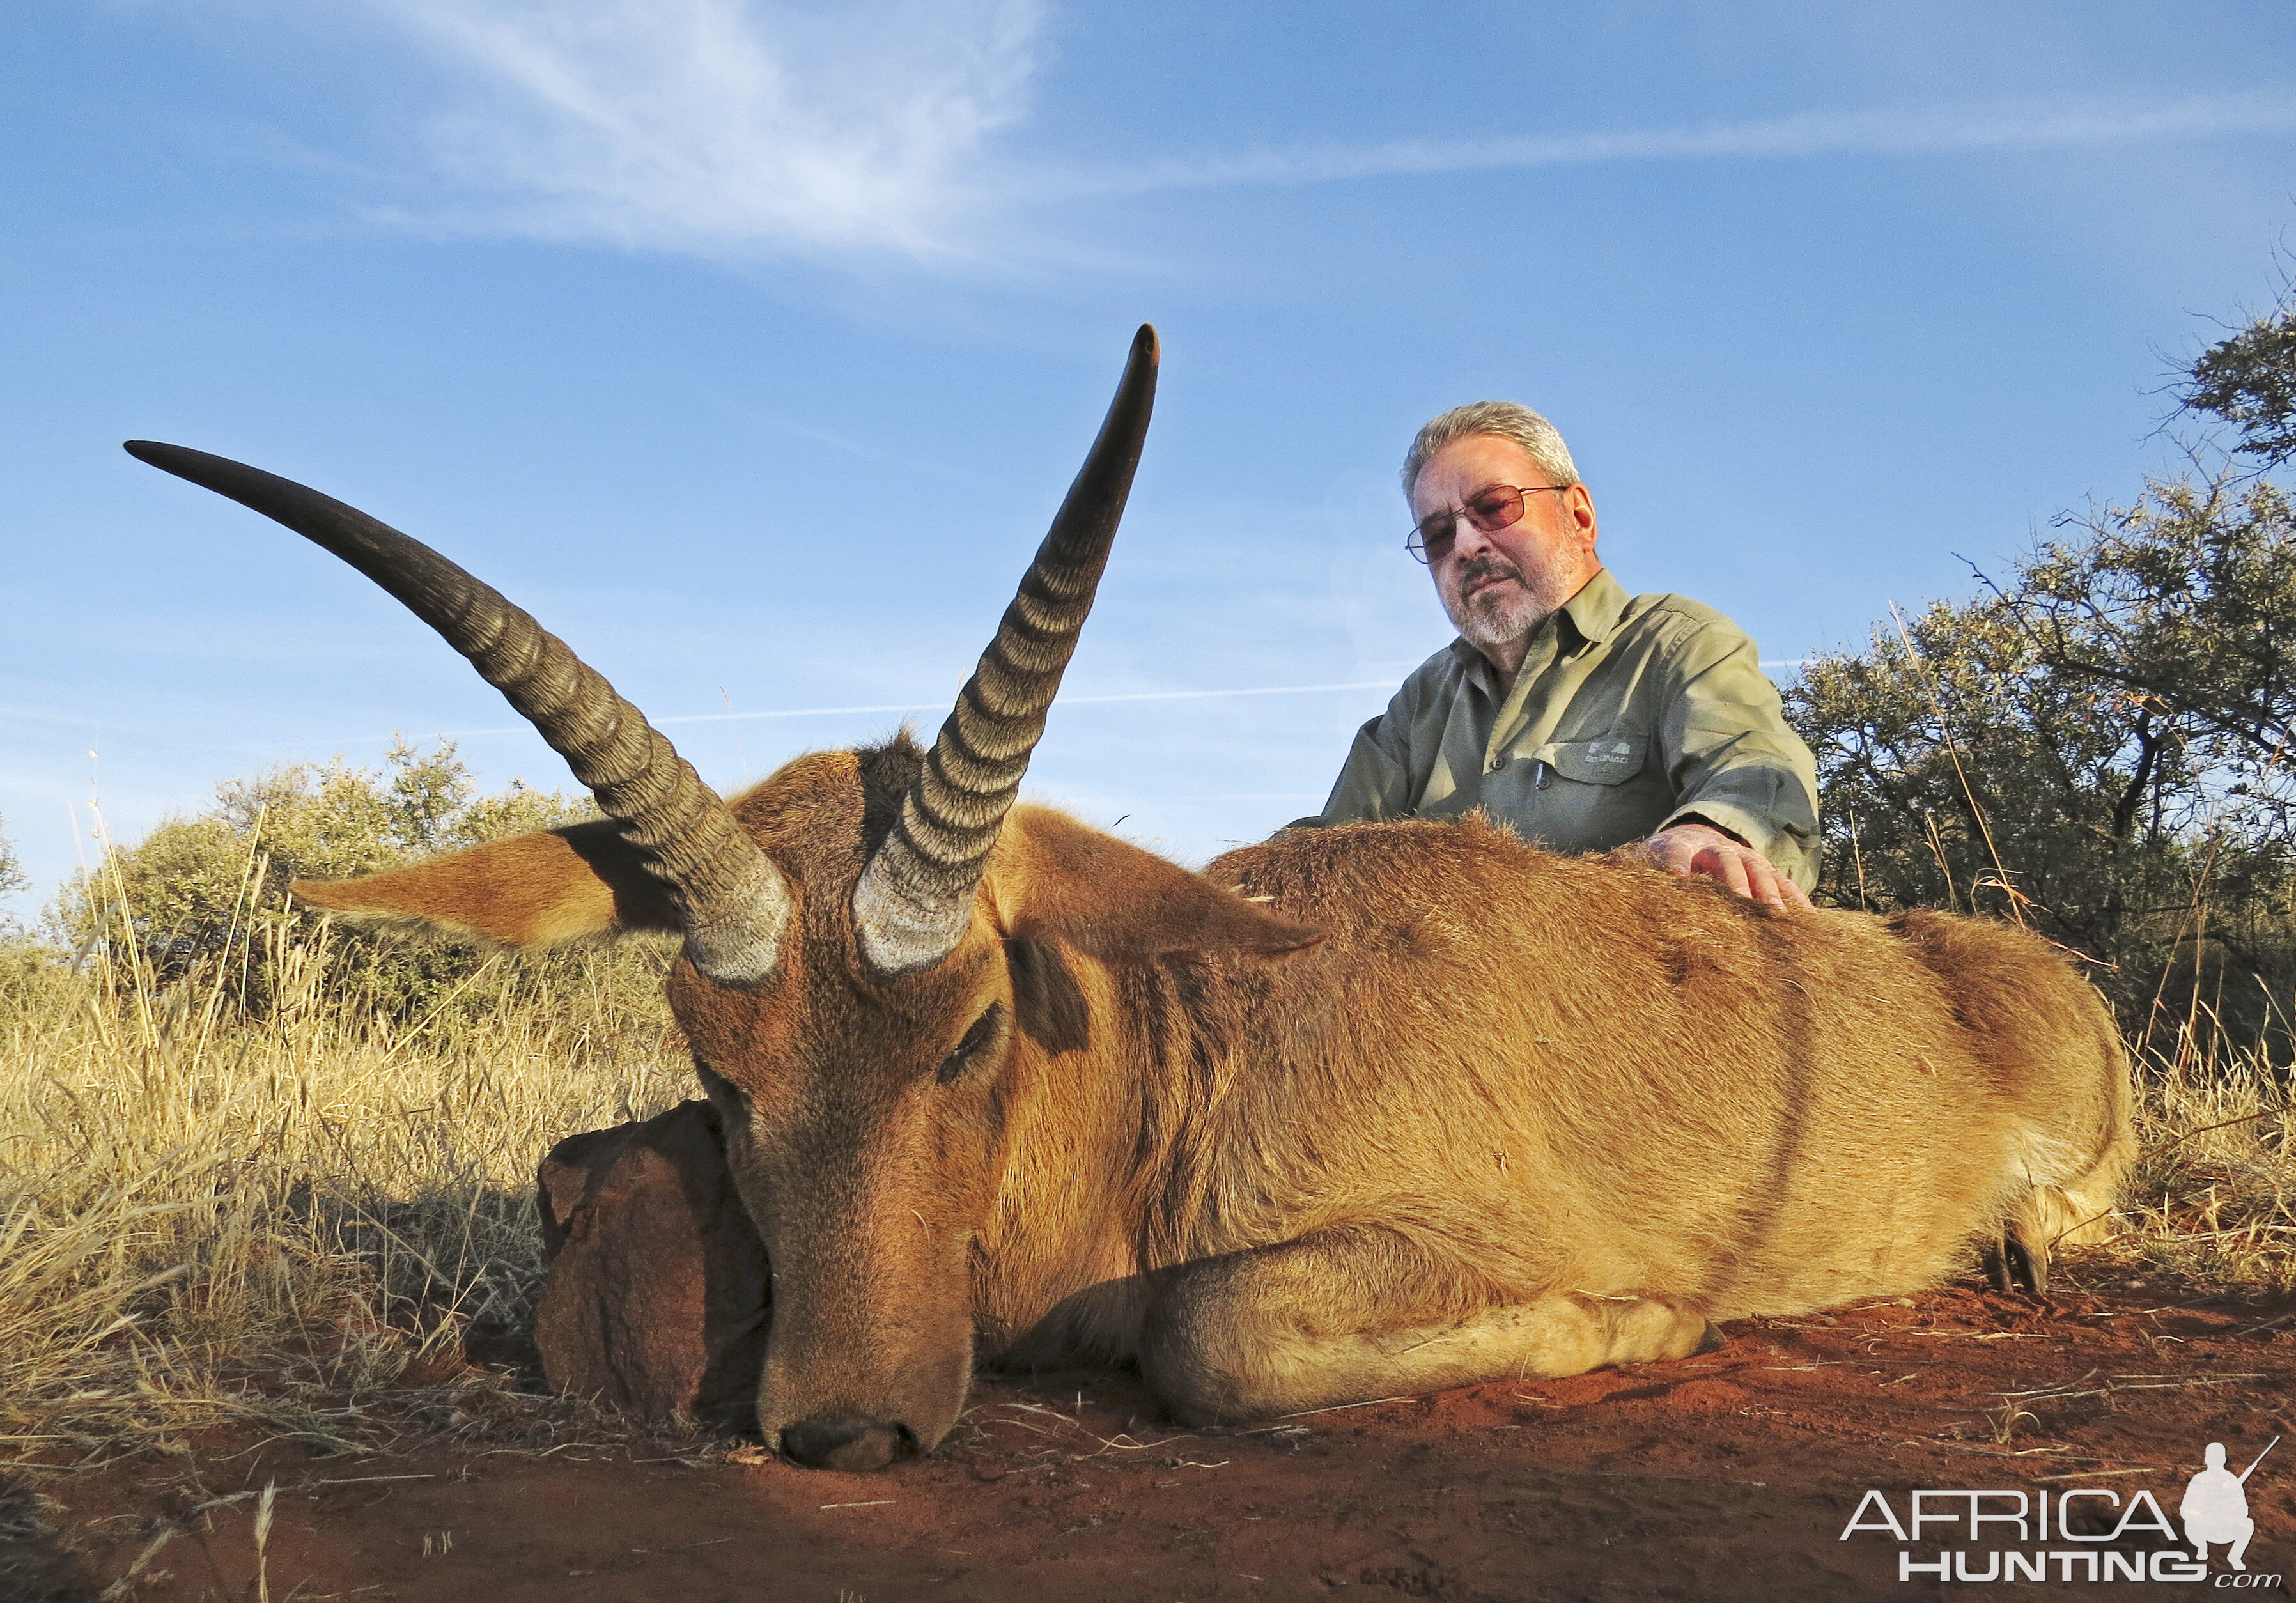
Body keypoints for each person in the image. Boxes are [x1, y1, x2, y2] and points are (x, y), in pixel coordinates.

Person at [1300, 401, 1819, 908]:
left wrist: (1708, 833)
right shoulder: (1419, 703)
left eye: (1495, 507)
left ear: (1579, 515)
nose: (1465, 546)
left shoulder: (1680, 643)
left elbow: (1755, 769)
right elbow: (1324, 851)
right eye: (1438, 534)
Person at [2180, 1441, 2256, 1570]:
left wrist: (2227, 1504)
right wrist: (2199, 1513)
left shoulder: (2232, 1481)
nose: (2214, 1460)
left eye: (2218, 1457)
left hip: (2225, 1529)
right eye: (2212, 1457)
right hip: (2203, 1529)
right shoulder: (2199, 1479)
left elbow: (2244, 1512)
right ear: (2206, 1459)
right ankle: (2202, 1547)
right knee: (2189, 1523)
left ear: (2224, 1460)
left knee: (2248, 1524)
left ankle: (2235, 1557)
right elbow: (2185, 1509)